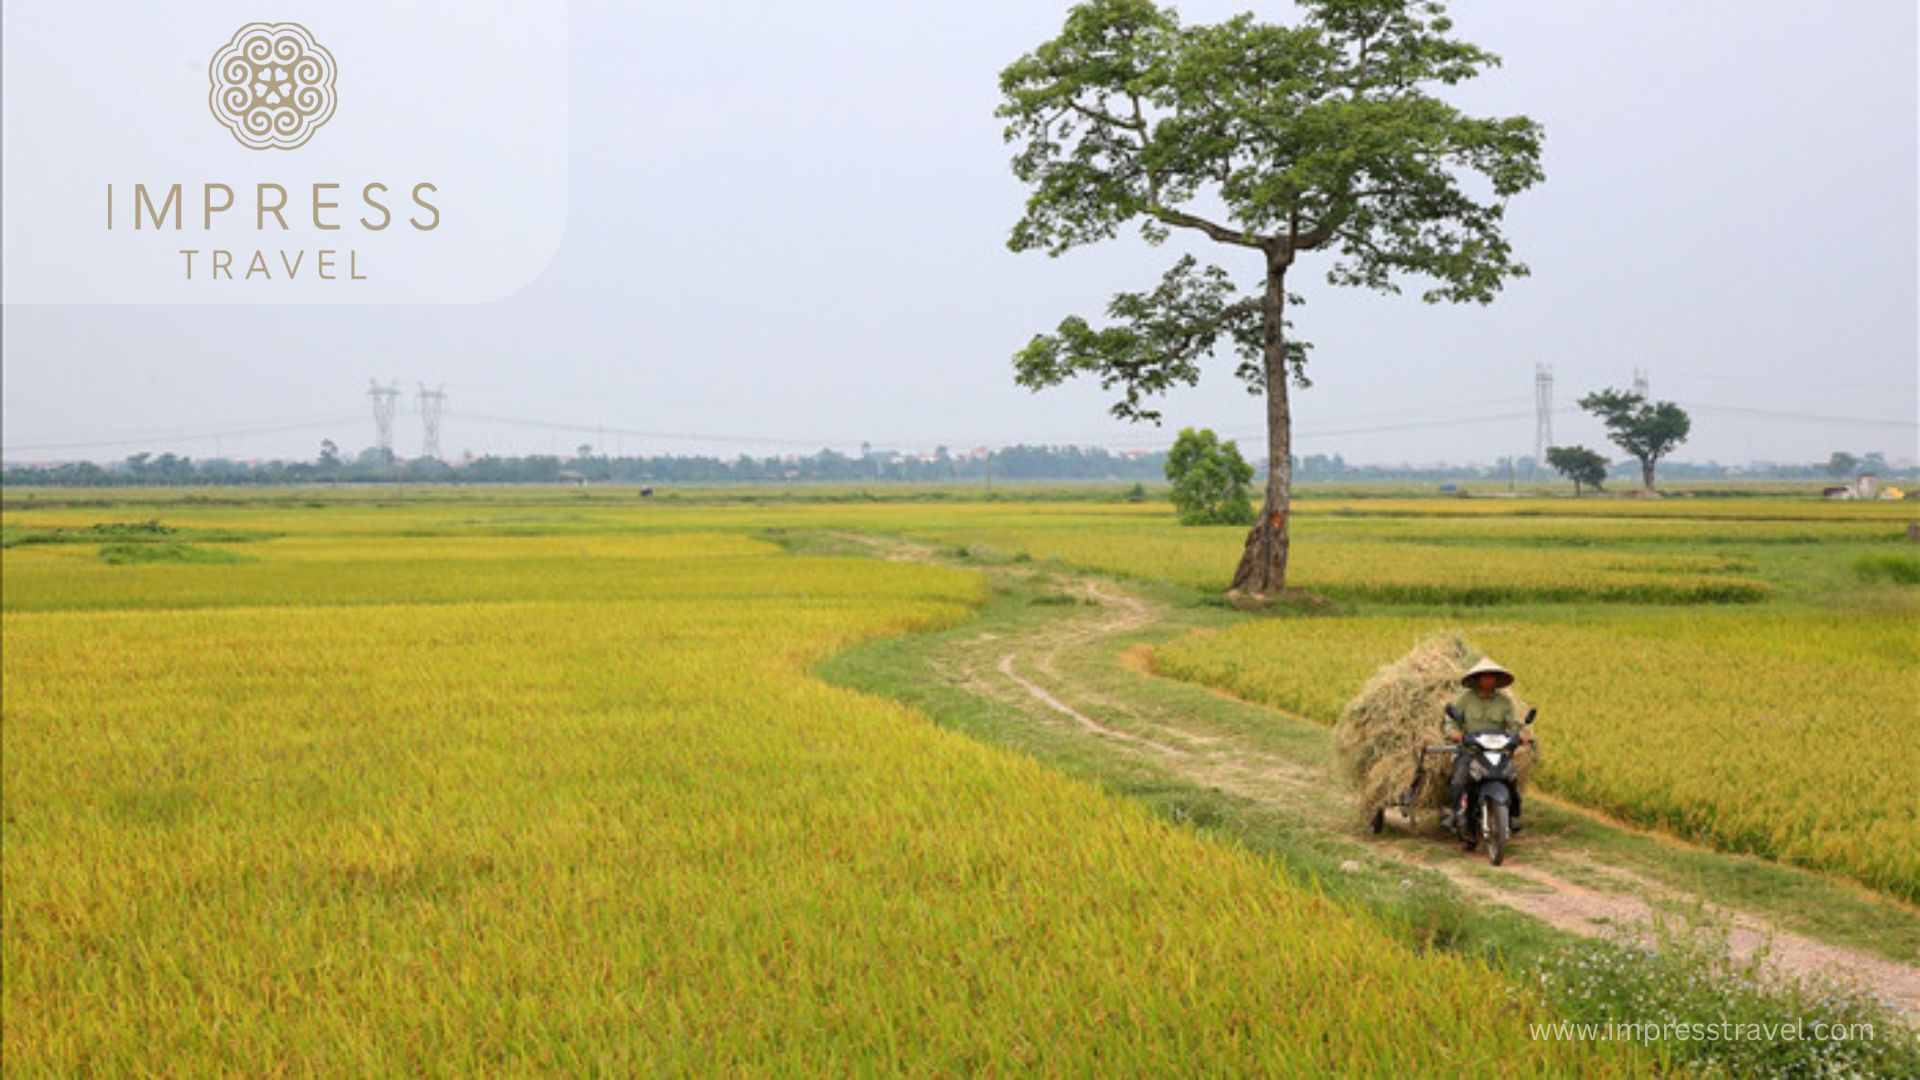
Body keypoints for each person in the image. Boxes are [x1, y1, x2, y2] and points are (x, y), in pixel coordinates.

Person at [1443, 657, 1533, 832]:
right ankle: (1456, 814)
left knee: (1511, 778)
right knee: (1459, 781)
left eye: (1492, 677)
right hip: (1470, 751)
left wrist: (1521, 735)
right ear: (1477, 679)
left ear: (1497, 680)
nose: (1488, 680)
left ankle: (1512, 815)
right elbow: (1451, 722)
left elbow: (1513, 724)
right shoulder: (1464, 700)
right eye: (1485, 676)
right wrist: (1454, 733)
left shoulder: (1504, 702)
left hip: (1498, 752)